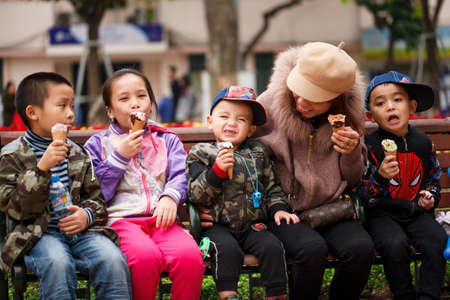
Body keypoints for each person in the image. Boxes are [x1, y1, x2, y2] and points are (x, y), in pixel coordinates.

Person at [250, 41, 375, 299]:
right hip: (282, 212)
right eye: (299, 90)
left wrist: (351, 151)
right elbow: (245, 157)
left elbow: (351, 180)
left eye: (315, 98)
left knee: (361, 249)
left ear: (337, 99)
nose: (302, 101)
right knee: (311, 250)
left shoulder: (348, 119)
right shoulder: (270, 104)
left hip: (329, 210)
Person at [0, 72, 131, 299]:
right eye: (62, 106)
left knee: (112, 260)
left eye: (72, 106)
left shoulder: (77, 153)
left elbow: (97, 200)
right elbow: (16, 210)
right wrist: (42, 168)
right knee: (57, 263)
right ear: (33, 113)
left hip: (82, 233)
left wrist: (86, 216)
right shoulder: (11, 156)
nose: (71, 114)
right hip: (37, 236)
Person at [84, 68, 204, 300]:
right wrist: (119, 157)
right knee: (144, 258)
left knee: (189, 257)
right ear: (109, 111)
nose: (135, 104)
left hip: (163, 220)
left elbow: (181, 174)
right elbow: (96, 191)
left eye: (141, 96)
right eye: (124, 98)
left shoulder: (167, 139)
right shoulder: (98, 145)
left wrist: (170, 196)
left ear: (151, 102)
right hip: (122, 222)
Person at [186, 85, 299, 300]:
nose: (231, 123)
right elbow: (195, 194)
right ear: (210, 121)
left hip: (253, 225)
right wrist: (216, 171)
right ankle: (229, 296)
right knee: (226, 249)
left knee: (272, 246)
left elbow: (272, 186)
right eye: (224, 116)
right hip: (218, 226)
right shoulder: (201, 153)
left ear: (250, 129)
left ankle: (276, 295)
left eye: (241, 119)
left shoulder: (257, 152)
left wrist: (278, 208)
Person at [358, 70, 447, 300]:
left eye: (397, 99)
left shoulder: (423, 143)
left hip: (417, 212)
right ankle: (404, 295)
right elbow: (365, 194)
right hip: (383, 214)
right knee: (394, 244)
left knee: (436, 239)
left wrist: (431, 195)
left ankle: (428, 296)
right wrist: (380, 176)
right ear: (371, 115)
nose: (390, 106)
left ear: (412, 106)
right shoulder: (370, 146)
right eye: (381, 103)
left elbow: (433, 177)